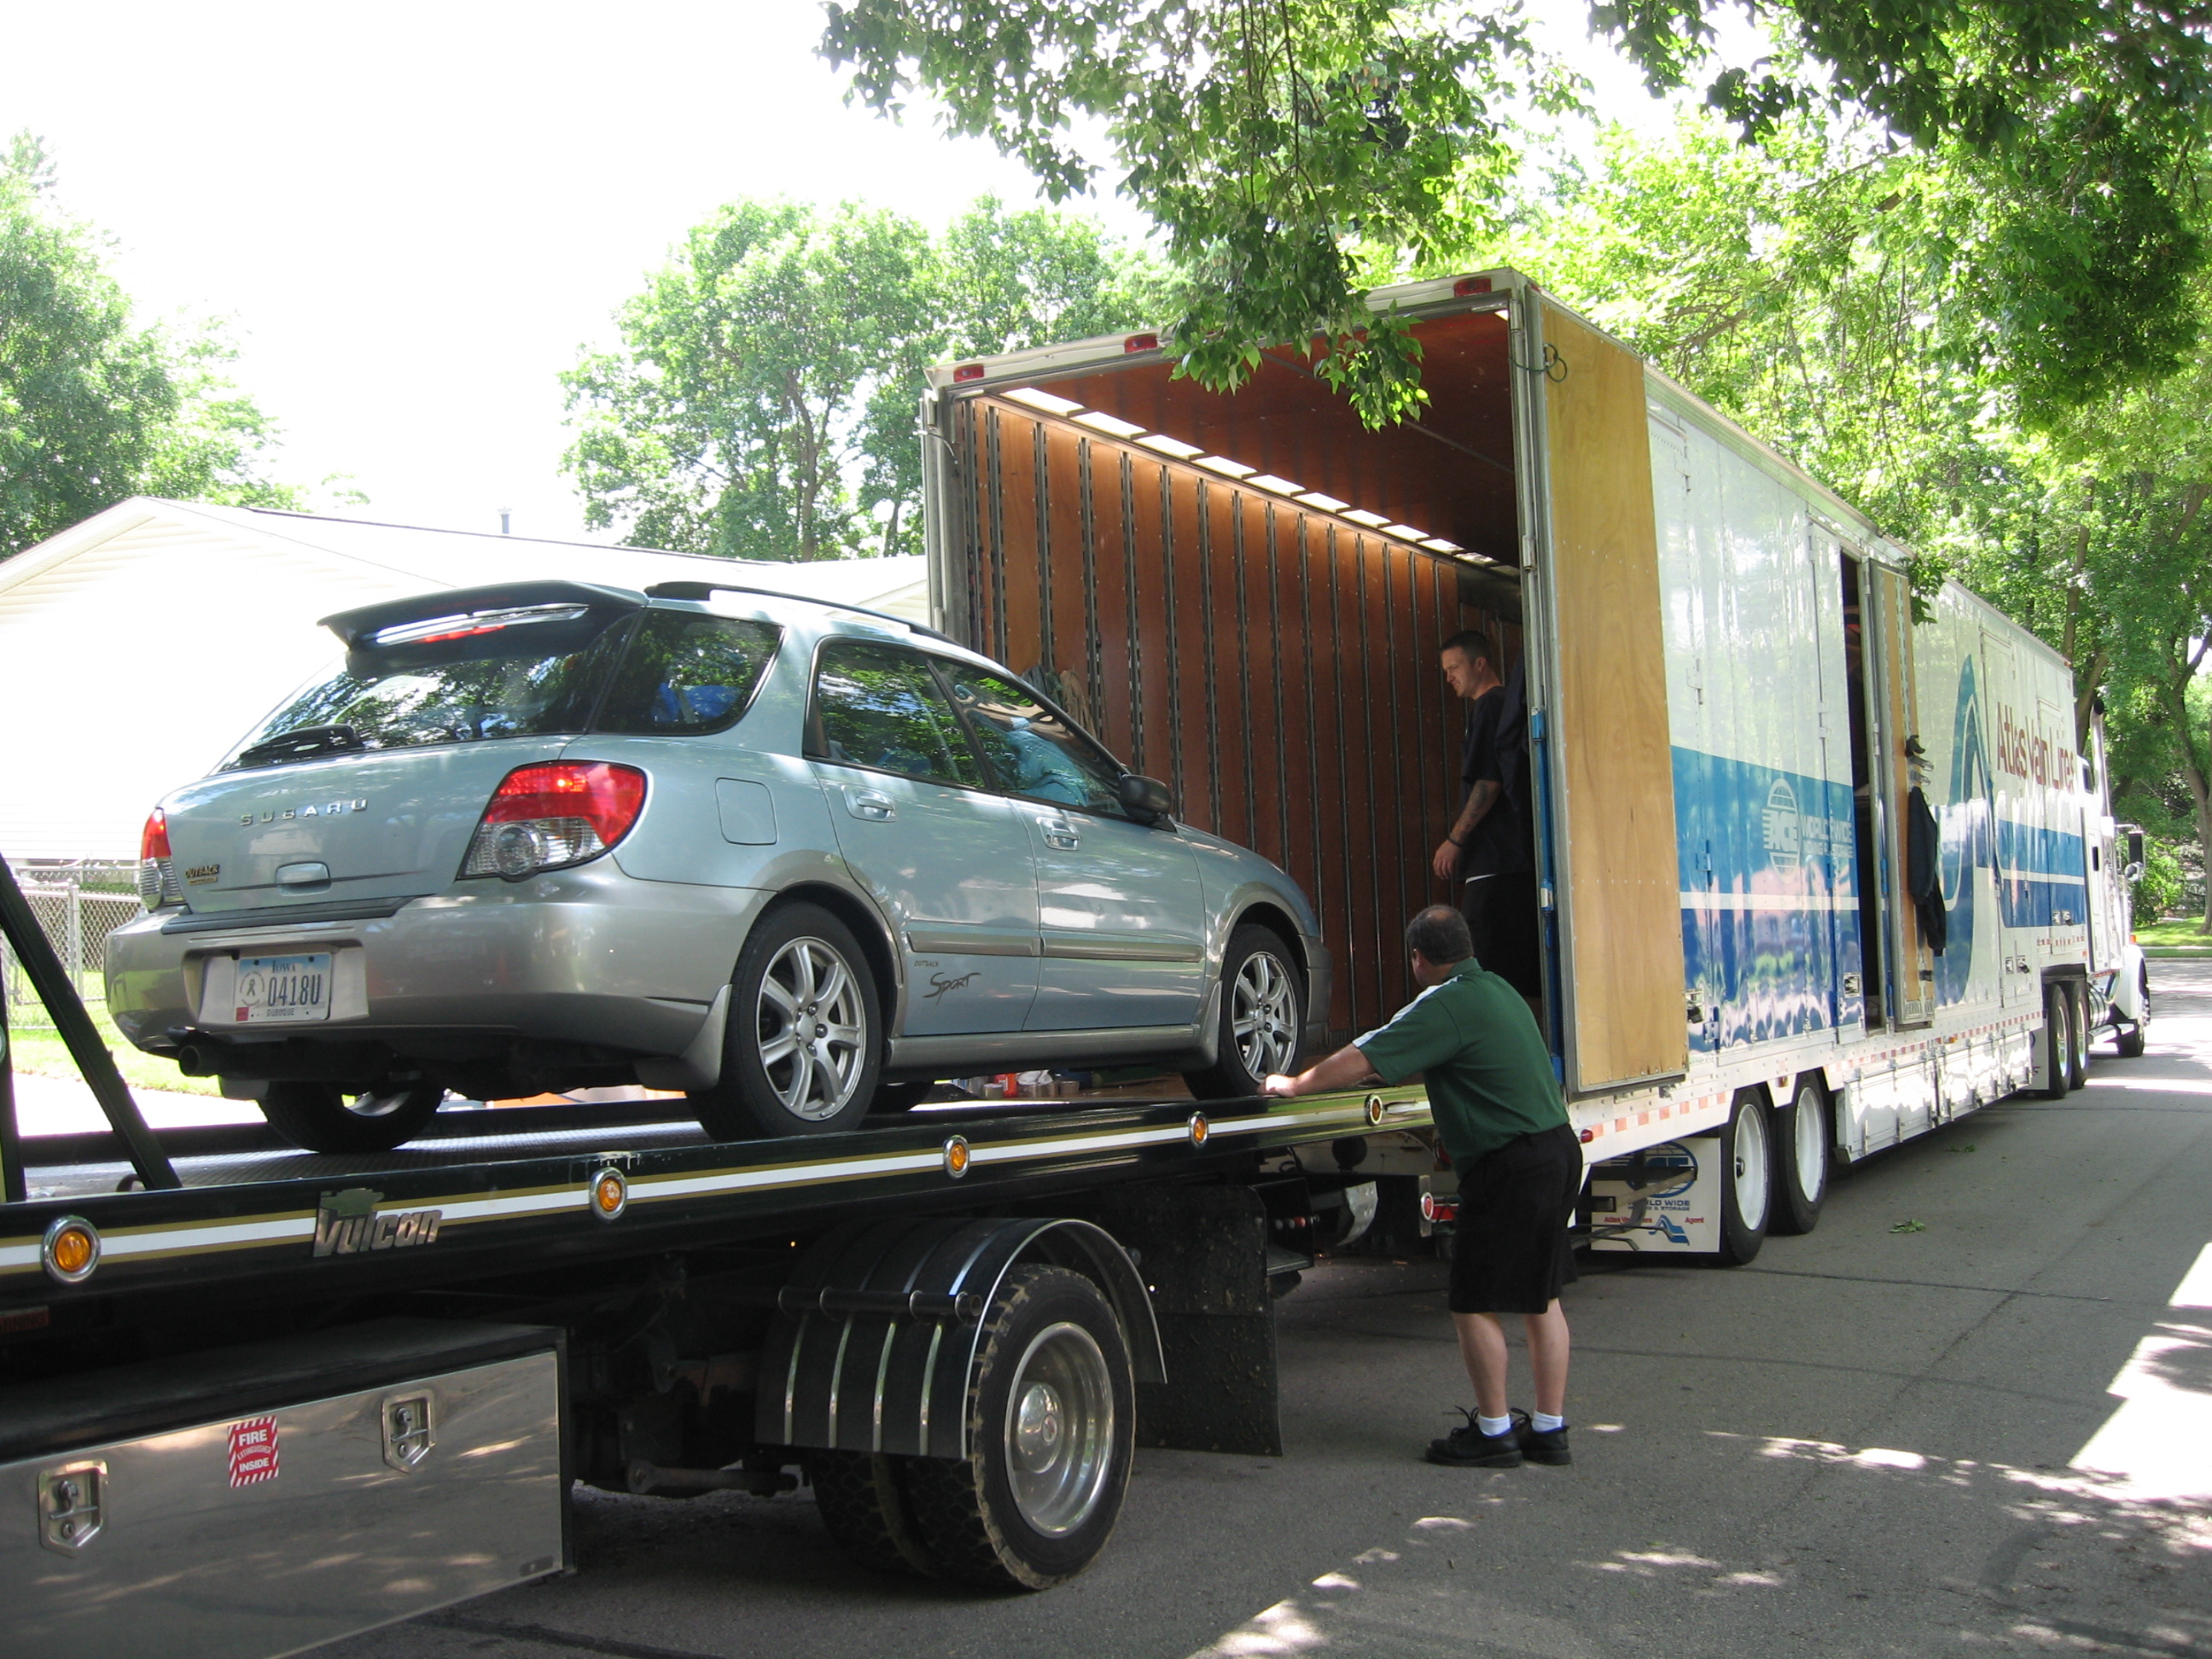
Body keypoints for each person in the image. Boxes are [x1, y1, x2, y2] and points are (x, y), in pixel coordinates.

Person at [1262, 905, 1578, 1469]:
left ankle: (1495, 1432)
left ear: (1418, 958)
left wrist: (1295, 1085)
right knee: (1542, 1297)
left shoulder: (1444, 1003)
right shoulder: (1499, 990)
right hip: (1555, 1150)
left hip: (1510, 1167)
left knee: (1473, 1300)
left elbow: (1365, 1055)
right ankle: (1549, 1430)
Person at [1431, 632, 1540, 999]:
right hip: (1508, 862)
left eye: (1454, 667)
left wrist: (1455, 839)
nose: (1449, 677)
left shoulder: (1491, 706)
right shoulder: (1501, 706)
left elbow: (1489, 780)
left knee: (1491, 967)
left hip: (1495, 862)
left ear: (1480, 664)